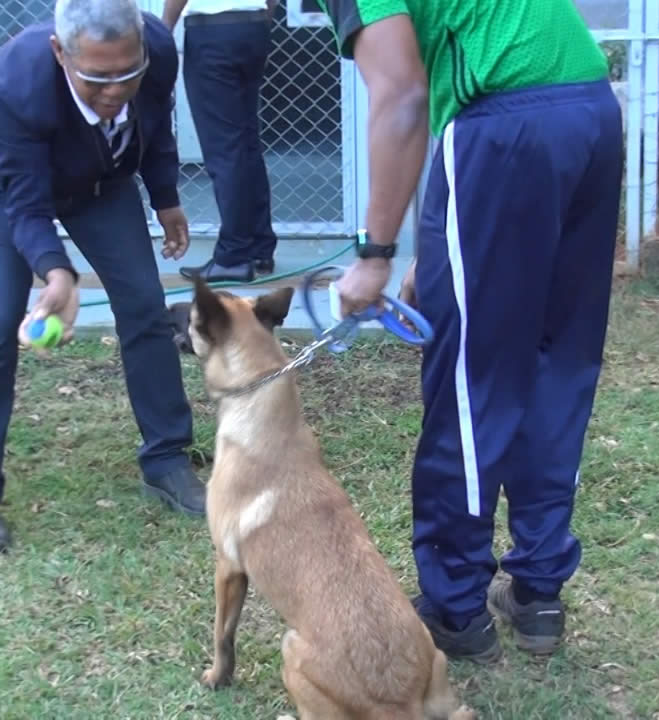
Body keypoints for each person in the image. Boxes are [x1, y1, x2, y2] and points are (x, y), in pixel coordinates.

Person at [322, 0, 624, 662]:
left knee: (470, 379)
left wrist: (376, 255)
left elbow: (403, 95)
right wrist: (436, 247)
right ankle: (539, 591)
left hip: (505, 126)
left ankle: (456, 607)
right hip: (590, 113)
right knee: (558, 358)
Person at [0, 0, 208, 554]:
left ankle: (165, 459)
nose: (115, 89)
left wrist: (165, 198)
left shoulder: (157, 49)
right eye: (96, 78)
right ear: (60, 53)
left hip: (102, 182)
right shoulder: (19, 79)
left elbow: (156, 126)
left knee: (143, 303)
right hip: (4, 187)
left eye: (127, 73)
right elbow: (25, 203)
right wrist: (57, 274)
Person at [161, 0, 279, 282]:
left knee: (225, 148)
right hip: (253, 26)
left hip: (212, 33)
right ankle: (259, 246)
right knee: (246, 142)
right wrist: (262, 16)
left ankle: (234, 256)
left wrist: (164, 31)